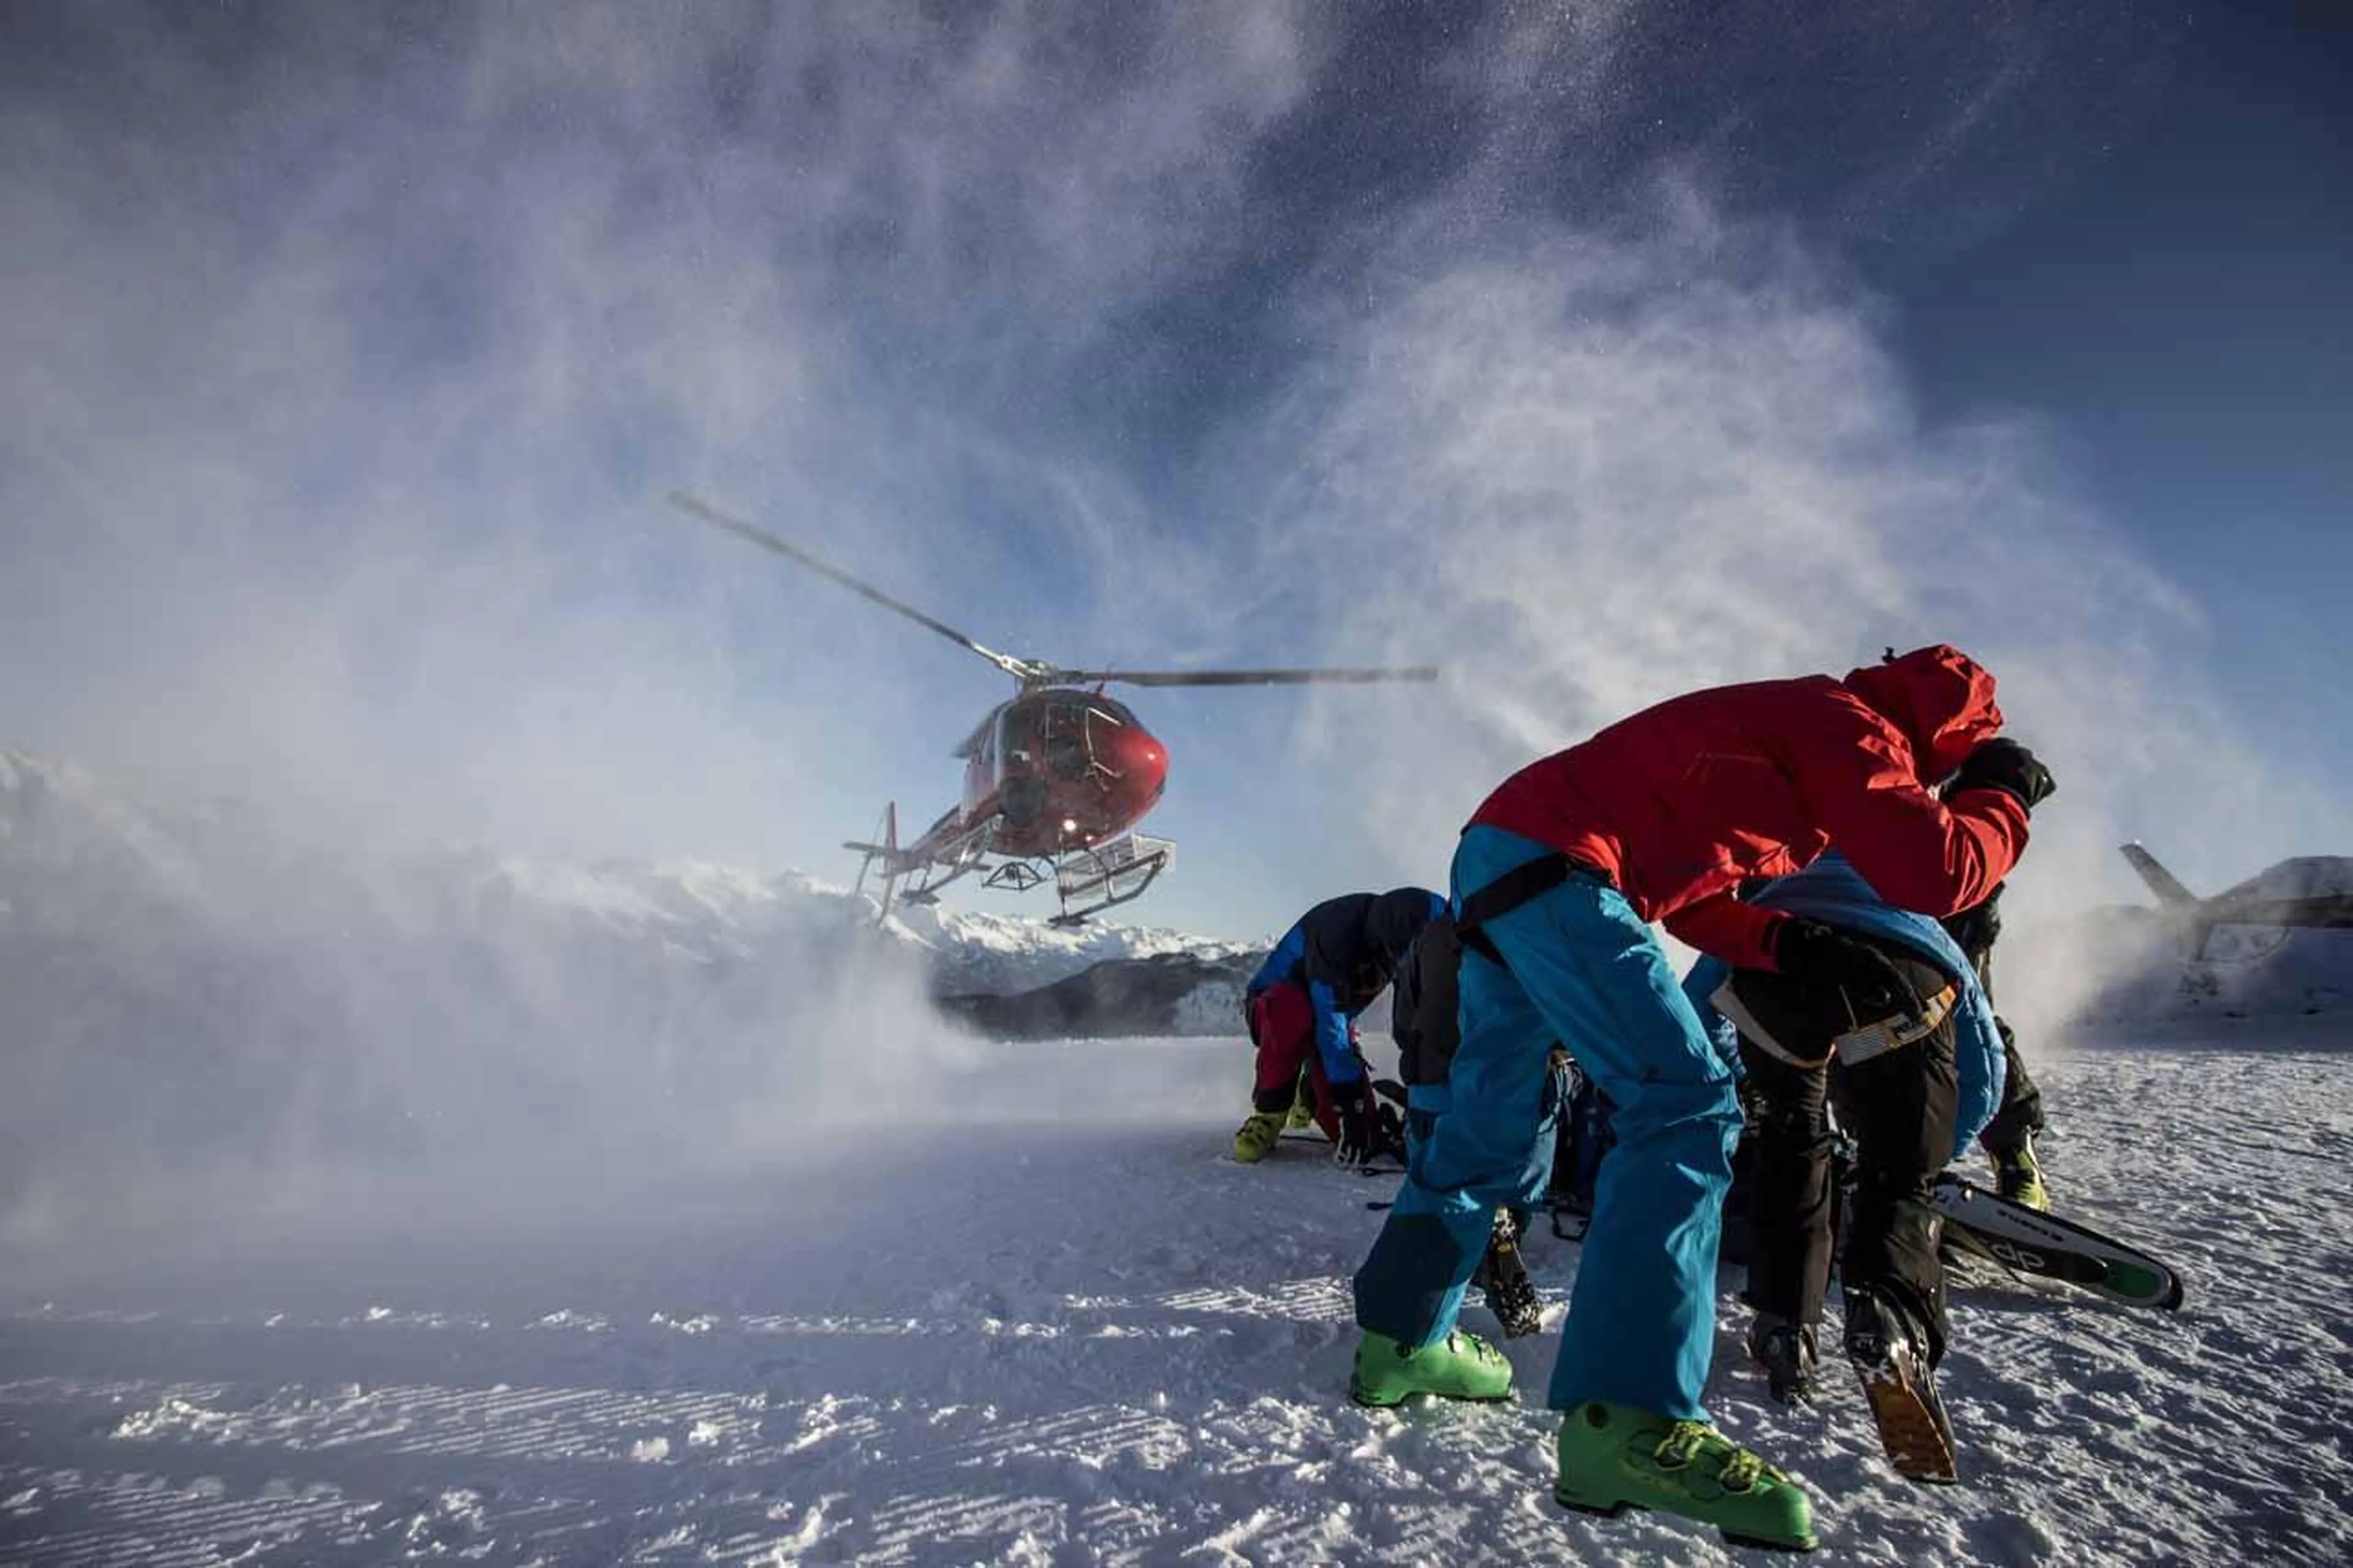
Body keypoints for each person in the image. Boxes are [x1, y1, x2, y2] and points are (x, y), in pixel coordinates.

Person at [1347, 645, 2053, 1554]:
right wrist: (2003, 794)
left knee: (1491, 1120)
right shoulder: (1857, 729)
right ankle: (1629, 1420)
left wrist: (1790, 943)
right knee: (1684, 1106)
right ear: (1947, 741)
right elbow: (1940, 871)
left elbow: (1691, 900)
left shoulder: (1798, 734)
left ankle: (1402, 1338)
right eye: (1949, 772)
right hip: (1565, 863)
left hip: (1504, 856)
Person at [1691, 851, 2012, 1482]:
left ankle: (1785, 1328)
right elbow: (1986, 1073)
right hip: (1904, 980)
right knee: (1898, 1174)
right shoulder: (1915, 906)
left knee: (1792, 1142)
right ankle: (1890, 1318)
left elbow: (1697, 1013)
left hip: (1775, 978)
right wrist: (1930, 1158)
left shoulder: (1768, 896)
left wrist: (1739, 1087)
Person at [1231, 887, 1446, 1165]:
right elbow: (1330, 1022)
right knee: (1292, 1012)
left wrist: (1423, 1087)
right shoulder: (1337, 933)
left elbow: (1417, 1018)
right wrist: (1349, 1100)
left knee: (1362, 1138)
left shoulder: (1427, 934)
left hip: (1329, 1027)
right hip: (1273, 1011)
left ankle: (1308, 1092)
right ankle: (1269, 1112)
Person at [1940, 887, 2052, 1210]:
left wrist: (1977, 898)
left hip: (1953, 898)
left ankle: (2016, 1157)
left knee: (1966, 1023)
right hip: (1857, 895)